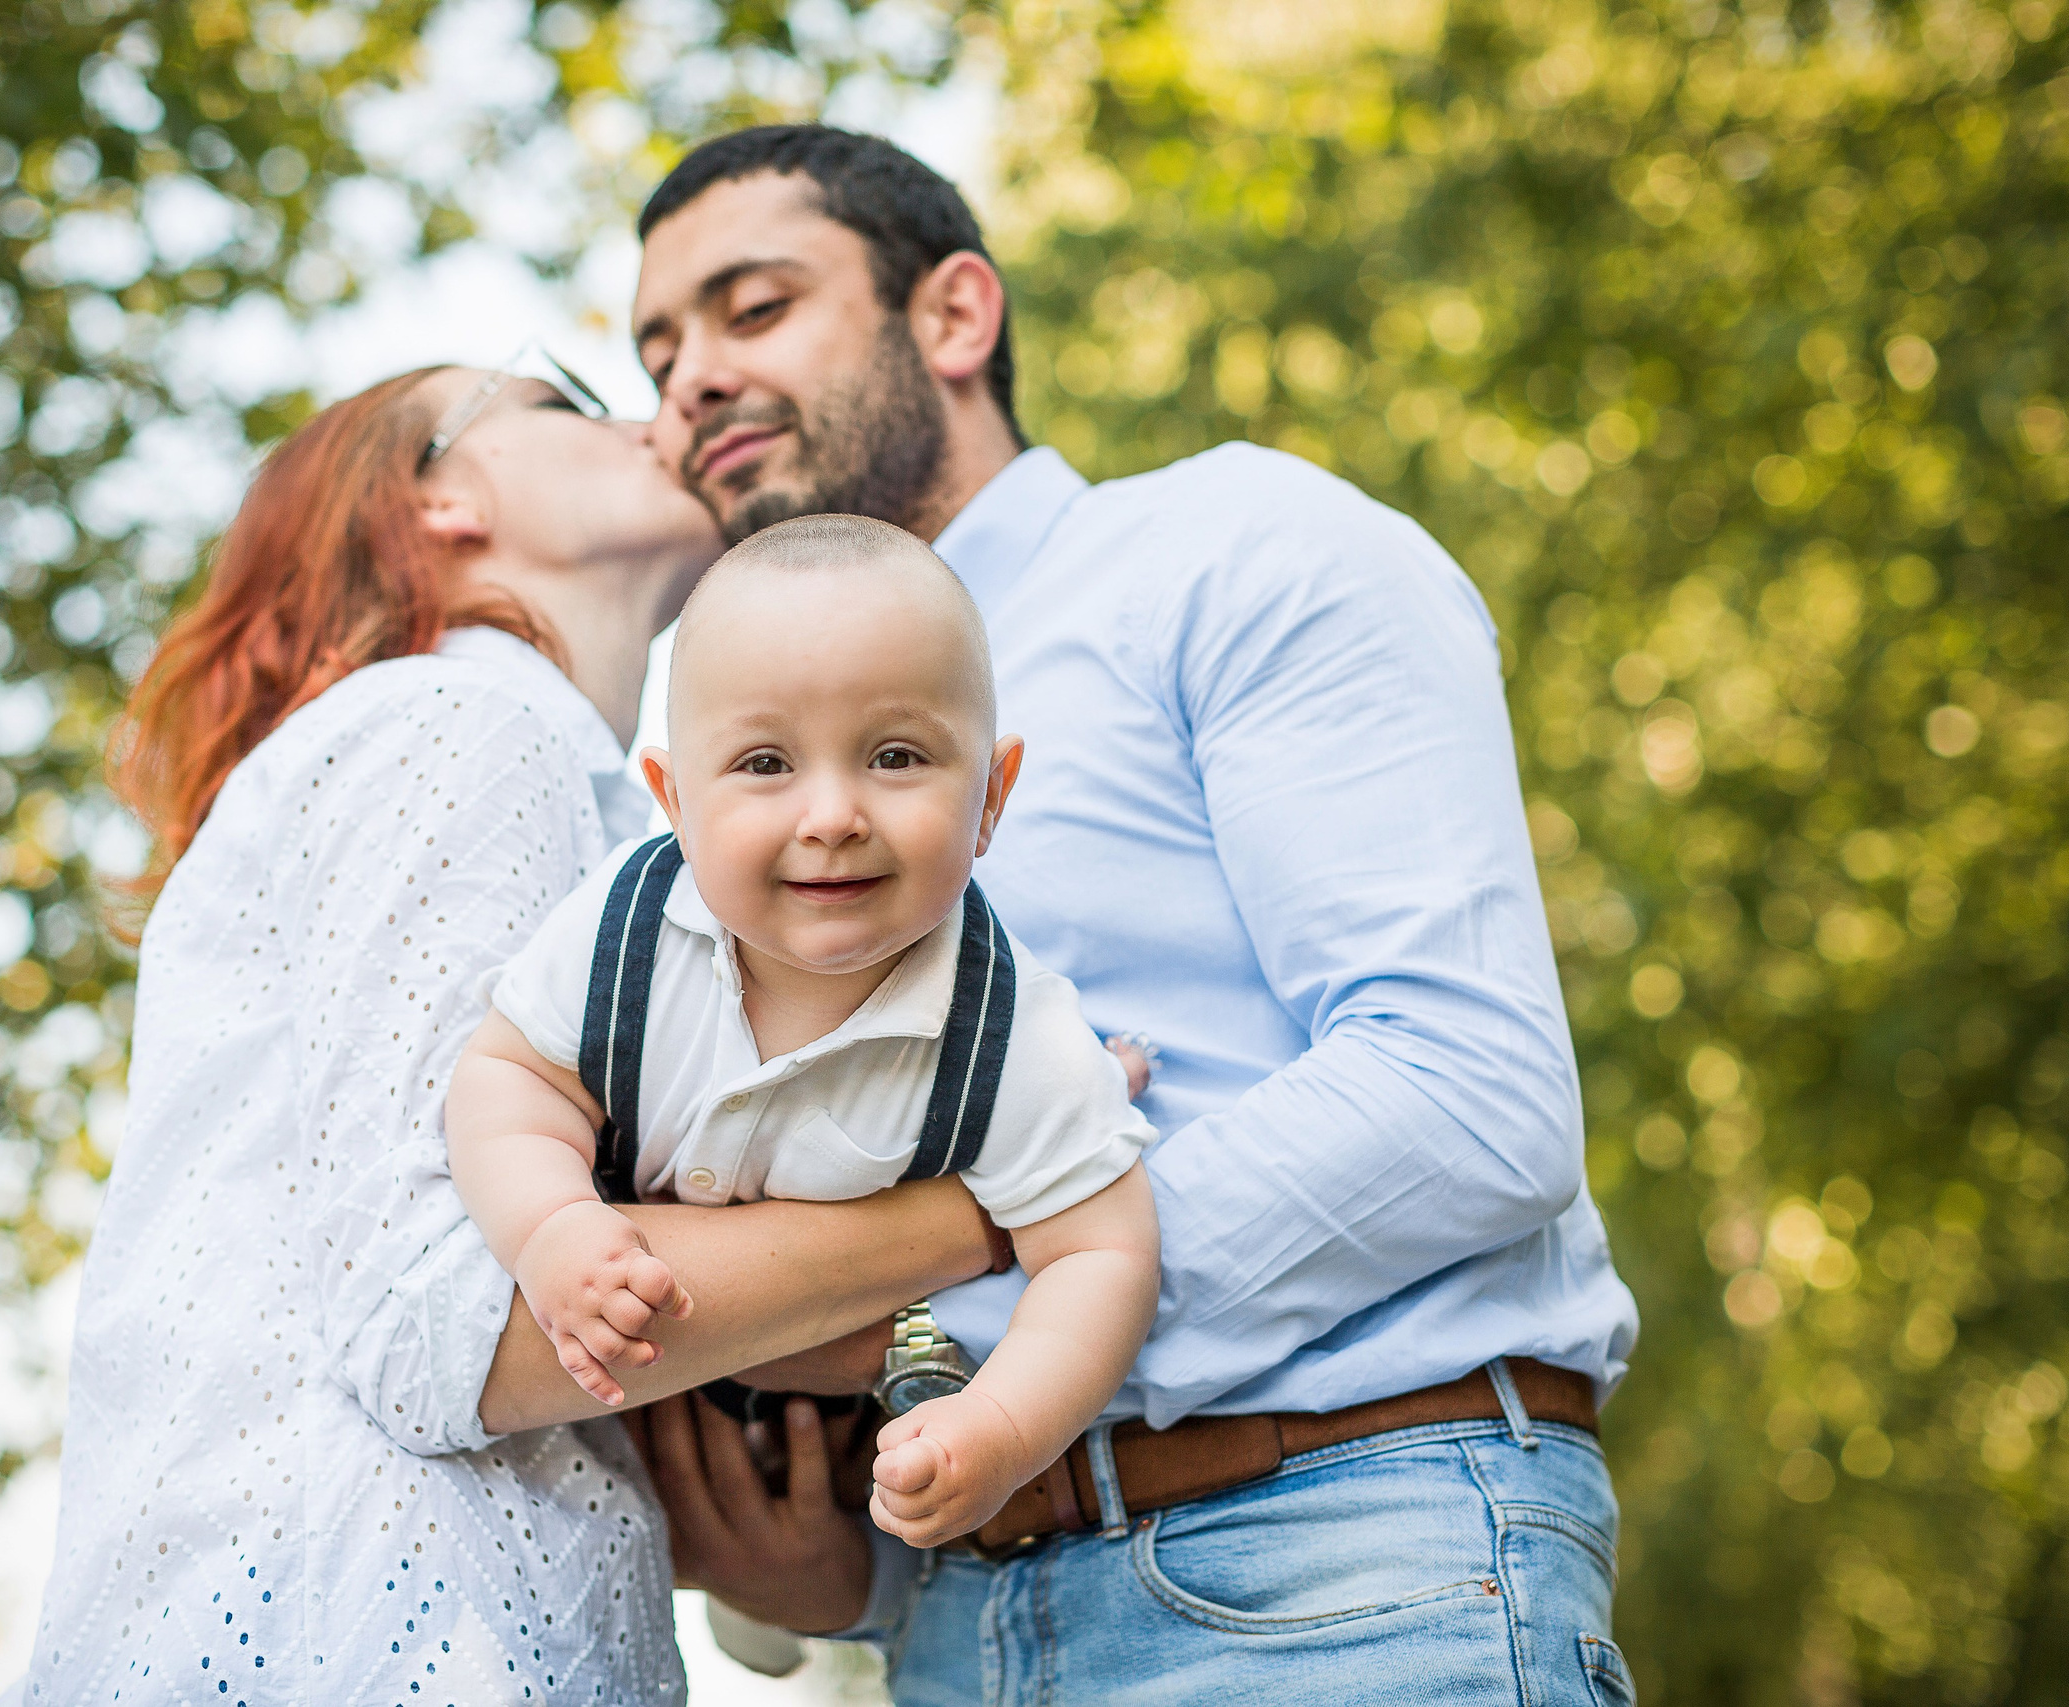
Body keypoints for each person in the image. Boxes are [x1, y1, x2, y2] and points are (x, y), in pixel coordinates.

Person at [623, 125, 1644, 1704]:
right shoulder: (719, 805)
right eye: (658, 347)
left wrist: (914, 1321)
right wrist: (844, 1563)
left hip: (1347, 1566)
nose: (688, 379)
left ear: (955, 316)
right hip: (958, 1632)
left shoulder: (1233, 548)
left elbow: (1470, 1096)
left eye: (751, 309)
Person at [13, 358, 1012, 1704]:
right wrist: (998, 1207)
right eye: (569, 401)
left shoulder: (555, 798)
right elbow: (452, 1321)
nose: (662, 419)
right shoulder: (460, 722)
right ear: (437, 501)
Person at [446, 513, 1159, 1549]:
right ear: (674, 799)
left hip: (855, 1428)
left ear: (991, 797)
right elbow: (508, 1083)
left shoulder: (1013, 1037)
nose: (831, 814)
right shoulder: (621, 931)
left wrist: (1004, 1429)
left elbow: (1103, 1255)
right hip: (645, 1396)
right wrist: (551, 1225)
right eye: (767, 763)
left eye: (896, 755)